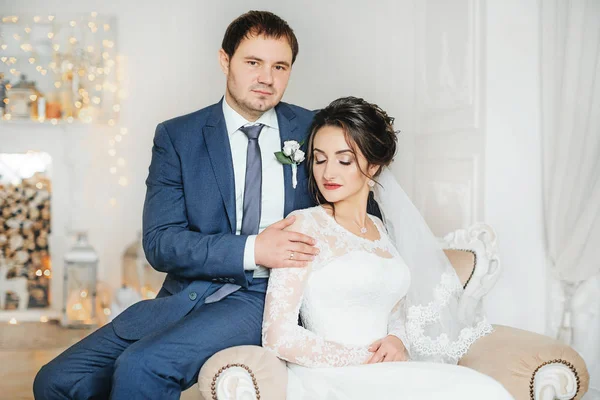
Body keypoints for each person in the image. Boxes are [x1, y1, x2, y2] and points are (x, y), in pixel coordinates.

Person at [33, 11, 320, 399]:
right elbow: (161, 242)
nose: (267, 78)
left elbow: (364, 220)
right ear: (225, 61)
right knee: (56, 381)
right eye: (253, 63)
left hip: (265, 296)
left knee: (141, 366)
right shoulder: (178, 136)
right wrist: (254, 248)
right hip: (188, 293)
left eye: (279, 66)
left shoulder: (315, 130)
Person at [262, 96, 515, 399]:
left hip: (386, 370)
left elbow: (394, 309)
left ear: (374, 164)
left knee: (482, 389)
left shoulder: (381, 229)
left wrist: (397, 339)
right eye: (319, 159)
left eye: (344, 160)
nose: (328, 172)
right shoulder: (303, 225)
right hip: (331, 377)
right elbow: (277, 336)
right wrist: (362, 359)